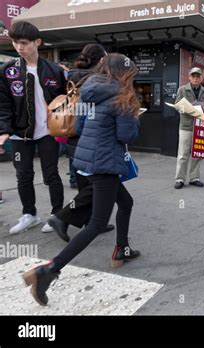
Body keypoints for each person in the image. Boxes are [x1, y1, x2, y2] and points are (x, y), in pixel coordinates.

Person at [22, 53, 141, 306]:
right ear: (125, 73)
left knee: (126, 202)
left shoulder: (89, 90)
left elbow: (81, 124)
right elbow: (126, 134)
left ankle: (122, 249)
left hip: (89, 159)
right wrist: (135, 117)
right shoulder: (123, 97)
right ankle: (48, 271)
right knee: (96, 224)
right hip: (106, 162)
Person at [0, 21, 66, 235]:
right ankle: (30, 214)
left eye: (24, 43)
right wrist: (4, 130)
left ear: (37, 42)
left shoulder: (55, 70)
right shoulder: (7, 71)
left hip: (49, 132)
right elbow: (3, 104)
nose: (19, 47)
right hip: (21, 134)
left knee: (51, 175)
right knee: (23, 175)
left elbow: (66, 101)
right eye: (15, 42)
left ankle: (58, 216)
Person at [46, 44, 115, 242]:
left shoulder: (71, 76)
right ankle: (61, 217)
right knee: (97, 186)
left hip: (72, 134)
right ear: (101, 60)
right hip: (89, 136)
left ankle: (93, 223)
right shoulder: (96, 80)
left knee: (86, 184)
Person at [174, 67, 204, 189]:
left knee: (198, 154)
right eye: (193, 76)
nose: (195, 78)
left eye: (198, 76)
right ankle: (180, 179)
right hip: (186, 126)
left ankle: (194, 178)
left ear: (201, 78)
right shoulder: (182, 90)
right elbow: (177, 106)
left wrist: (203, 109)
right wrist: (187, 108)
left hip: (200, 127)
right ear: (189, 77)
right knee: (183, 154)